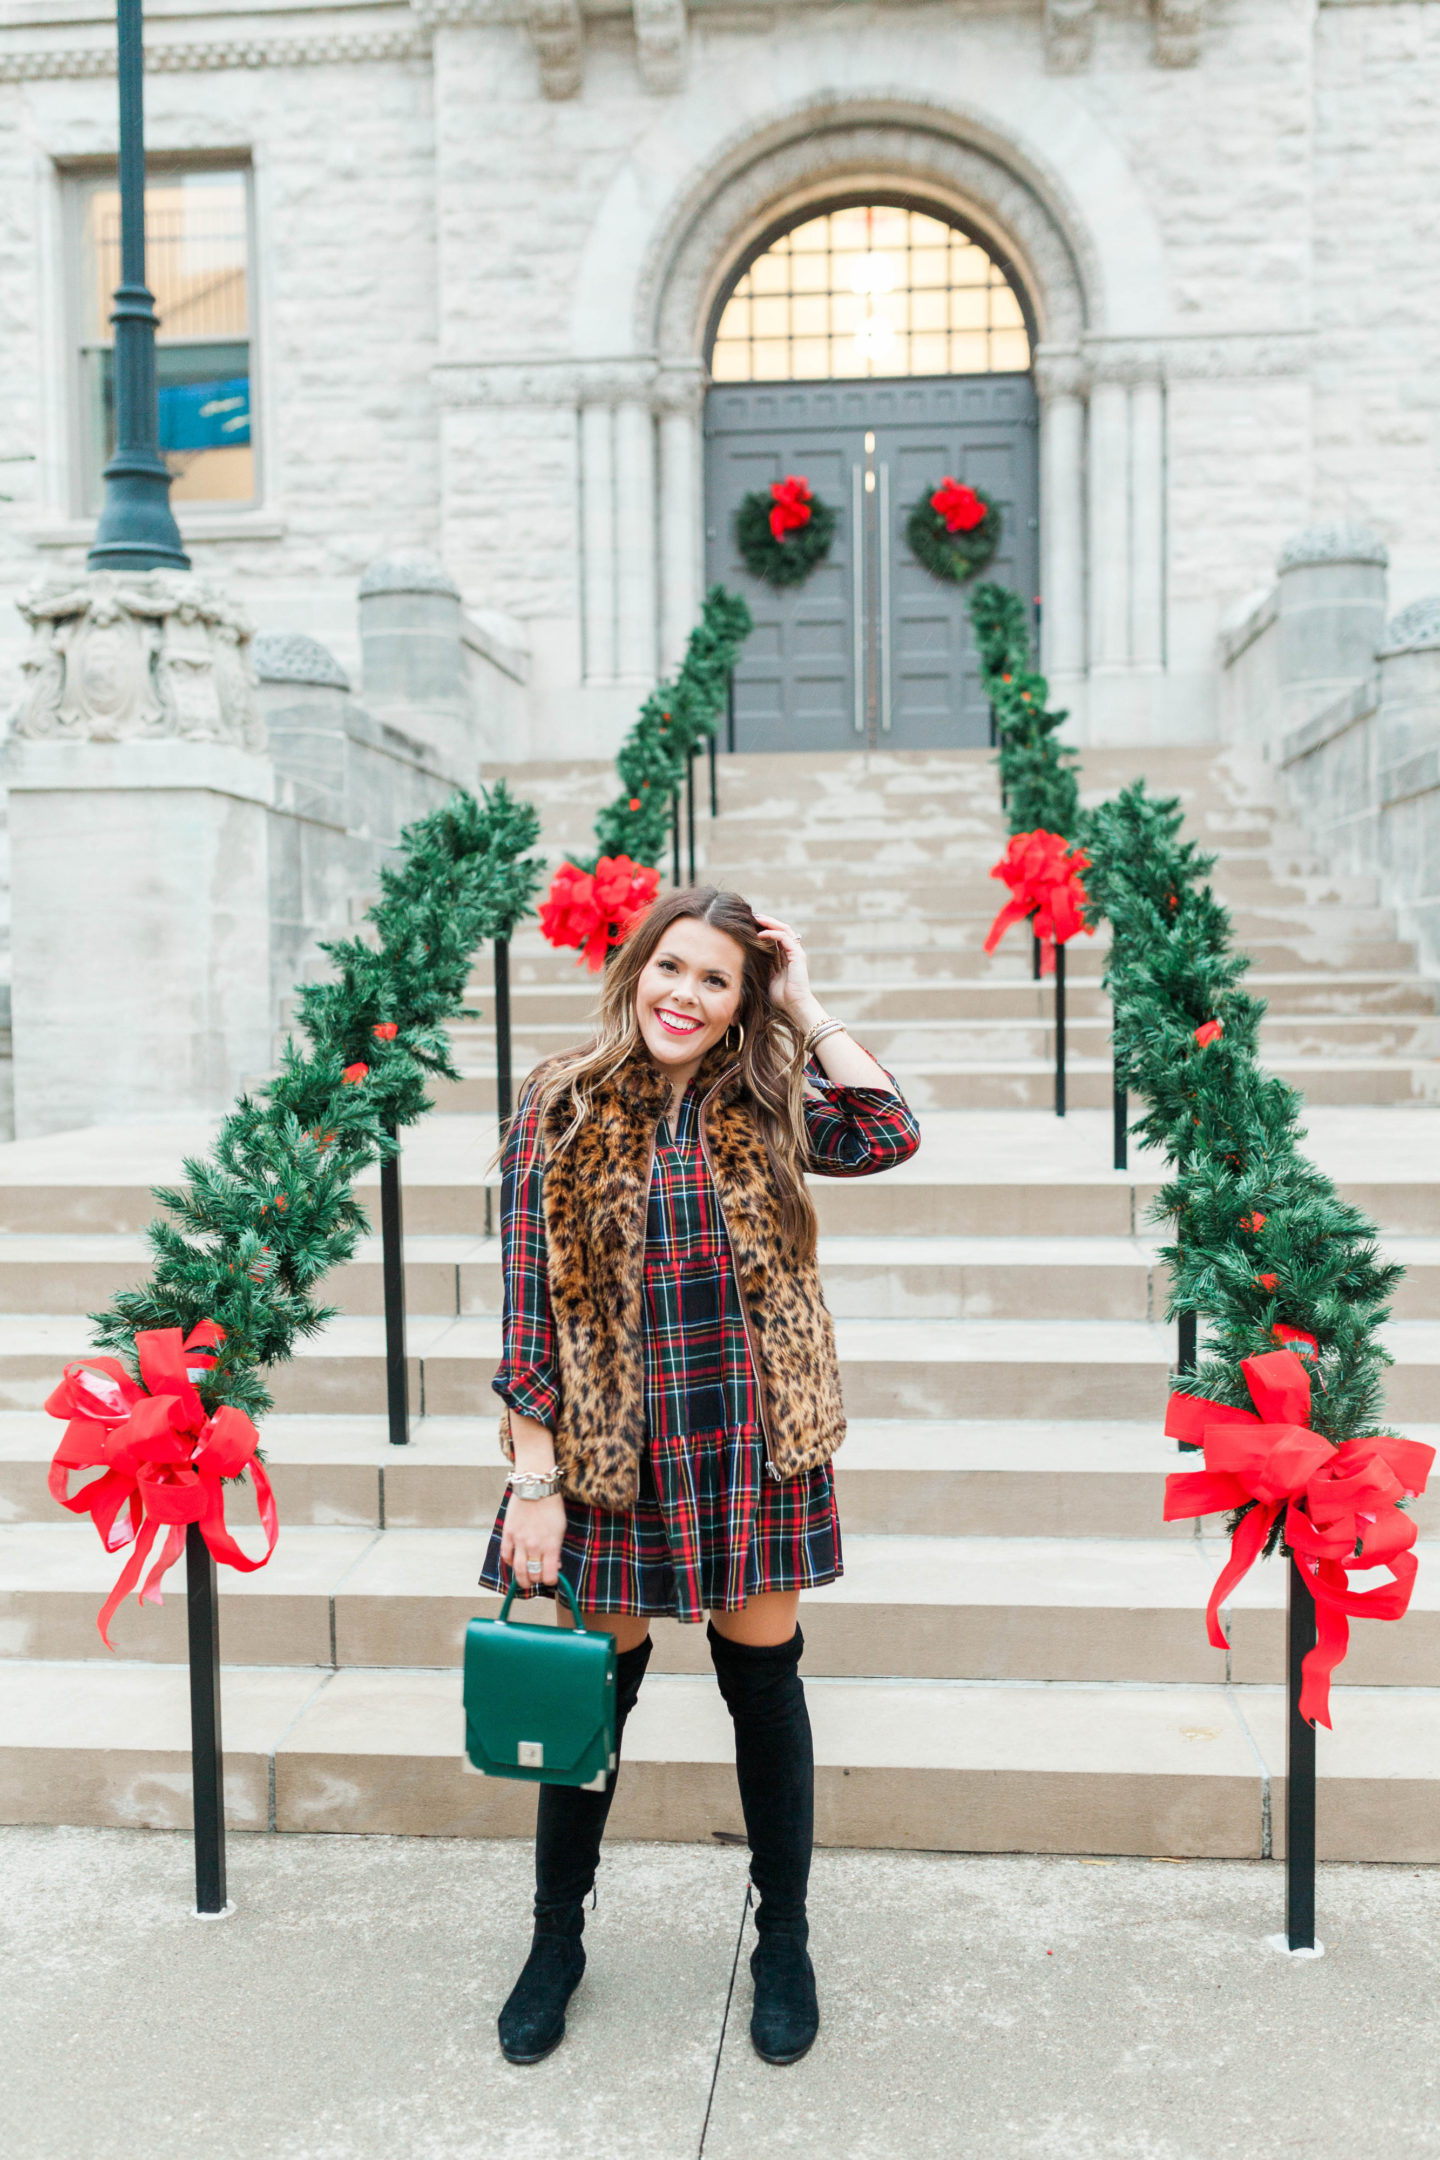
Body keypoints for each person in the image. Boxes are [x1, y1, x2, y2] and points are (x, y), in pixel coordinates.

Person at [479, 885, 920, 2068]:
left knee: (764, 1694)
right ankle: (555, 1942)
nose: (686, 994)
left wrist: (808, 1002)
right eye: (673, 968)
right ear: (637, 970)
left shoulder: (767, 1103)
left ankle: (784, 1940)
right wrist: (535, 1478)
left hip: (748, 1443)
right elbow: (526, 1311)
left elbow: (887, 1129)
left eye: (717, 980)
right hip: (613, 1456)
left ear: (741, 1003)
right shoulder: (558, 1107)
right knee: (591, 1707)